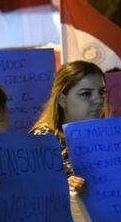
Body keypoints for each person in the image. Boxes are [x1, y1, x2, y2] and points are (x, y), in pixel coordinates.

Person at [30, 60, 106, 194]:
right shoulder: (44, 139)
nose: (99, 100)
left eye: (101, 92)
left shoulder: (110, 137)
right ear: (63, 100)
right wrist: (64, 185)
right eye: (86, 94)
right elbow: (35, 191)